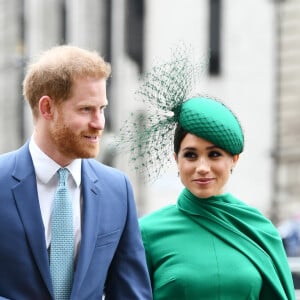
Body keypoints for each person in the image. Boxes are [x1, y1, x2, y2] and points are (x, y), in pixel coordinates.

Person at [116, 48, 295, 299]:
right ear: (175, 159)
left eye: (214, 155)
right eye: (190, 155)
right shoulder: (146, 232)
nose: (202, 166)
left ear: (234, 158)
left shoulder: (260, 229)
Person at [0, 45, 152, 300]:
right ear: (47, 108)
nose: (99, 123)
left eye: (102, 108)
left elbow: (131, 293)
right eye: (86, 109)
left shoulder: (117, 189)